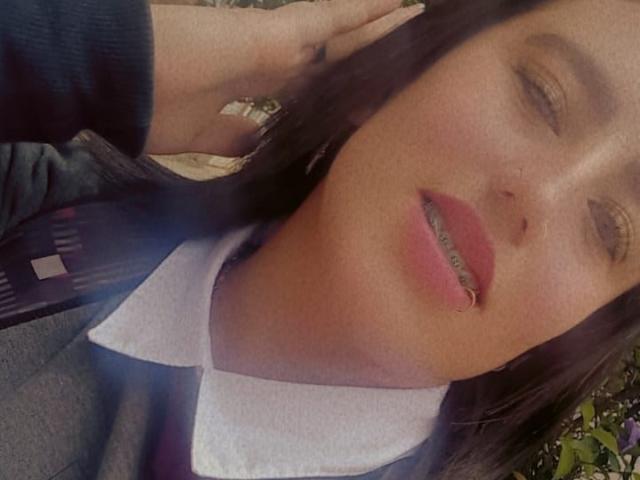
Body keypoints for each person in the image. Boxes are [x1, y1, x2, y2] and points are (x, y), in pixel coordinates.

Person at [3, 0, 640, 479]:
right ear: (399, 71)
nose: (537, 196)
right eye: (544, 94)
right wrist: (113, 58)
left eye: (612, 231)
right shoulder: (57, 211)